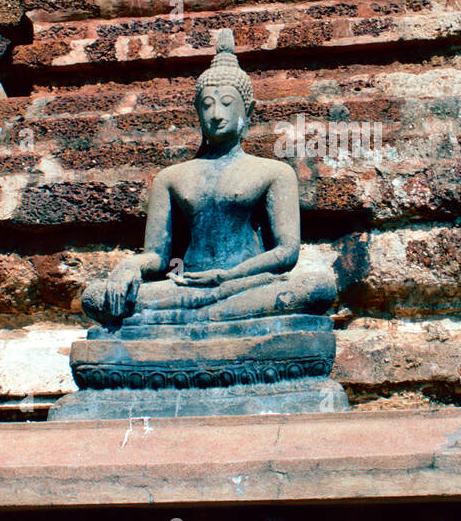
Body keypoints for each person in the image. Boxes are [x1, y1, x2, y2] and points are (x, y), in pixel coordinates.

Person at [82, 30, 336, 326]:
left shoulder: (274, 172)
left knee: (317, 288)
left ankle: (192, 319)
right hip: (186, 286)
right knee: (95, 297)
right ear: (197, 111)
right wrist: (128, 268)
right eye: (207, 104)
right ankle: (216, 318)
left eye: (227, 103)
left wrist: (228, 276)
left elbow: (287, 252)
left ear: (248, 110)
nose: (216, 114)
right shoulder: (171, 177)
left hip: (245, 284)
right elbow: (156, 257)